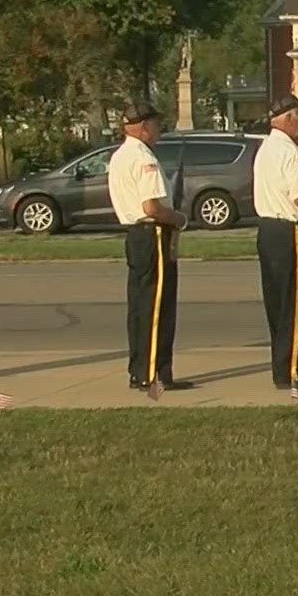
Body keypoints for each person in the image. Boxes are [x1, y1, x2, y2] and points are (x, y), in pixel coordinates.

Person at [107, 103, 192, 392]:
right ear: (143, 126)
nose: (158, 131)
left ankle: (142, 369)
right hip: (152, 232)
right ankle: (154, 373)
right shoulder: (144, 157)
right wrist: (179, 218)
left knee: (141, 305)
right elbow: (152, 206)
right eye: (156, 125)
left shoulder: (120, 155)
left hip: (136, 235)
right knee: (157, 305)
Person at [252, 95, 298, 390]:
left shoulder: (266, 148)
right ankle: (292, 367)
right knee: (294, 303)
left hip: (269, 230)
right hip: (289, 231)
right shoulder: (290, 153)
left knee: (278, 303)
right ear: (289, 118)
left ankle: (283, 365)